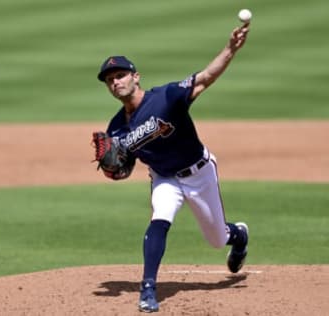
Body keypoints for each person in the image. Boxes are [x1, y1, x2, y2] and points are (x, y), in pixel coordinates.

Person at [96, 22, 251, 313]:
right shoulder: (116, 128)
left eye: (120, 75)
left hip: (200, 173)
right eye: (110, 80)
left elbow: (205, 78)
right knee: (160, 216)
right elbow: (119, 167)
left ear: (135, 77)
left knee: (217, 239)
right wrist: (114, 170)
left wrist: (230, 49)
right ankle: (148, 289)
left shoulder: (165, 97)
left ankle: (238, 235)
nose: (115, 82)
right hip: (164, 178)